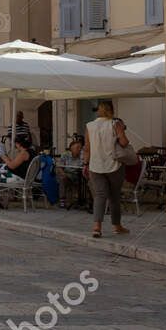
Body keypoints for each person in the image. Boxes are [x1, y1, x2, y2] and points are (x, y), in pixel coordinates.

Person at [85, 100, 132, 237]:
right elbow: (124, 143)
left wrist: (85, 164)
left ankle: (96, 228)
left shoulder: (89, 125)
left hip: (95, 165)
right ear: (111, 109)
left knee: (100, 195)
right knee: (114, 197)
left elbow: (87, 148)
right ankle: (117, 227)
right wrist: (122, 129)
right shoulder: (115, 124)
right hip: (114, 165)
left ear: (98, 110)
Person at [58, 136, 89, 211]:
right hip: (68, 174)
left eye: (80, 147)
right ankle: (62, 201)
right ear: (71, 148)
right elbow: (59, 166)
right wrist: (63, 173)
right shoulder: (65, 155)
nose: (79, 149)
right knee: (62, 179)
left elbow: (84, 164)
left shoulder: (82, 155)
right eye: (77, 147)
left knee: (87, 180)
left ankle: (84, 201)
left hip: (78, 174)